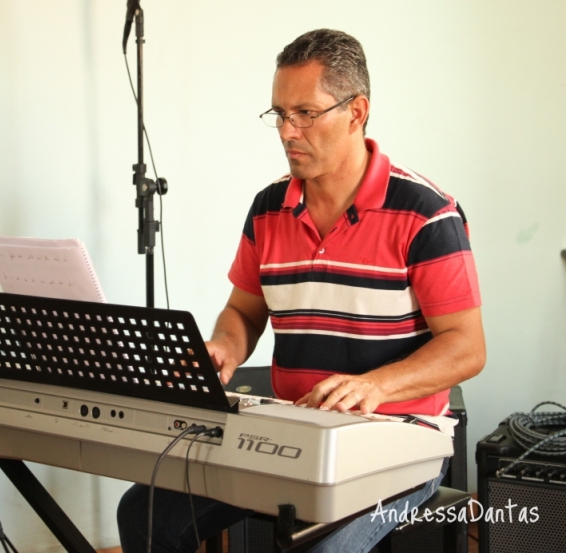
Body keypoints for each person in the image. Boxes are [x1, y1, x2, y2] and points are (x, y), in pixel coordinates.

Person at [117, 28, 485, 553]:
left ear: (357, 112)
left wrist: (375, 386)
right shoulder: (268, 209)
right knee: (144, 509)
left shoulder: (427, 214)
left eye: (306, 114)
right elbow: (243, 312)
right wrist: (223, 344)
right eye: (279, 114)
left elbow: (467, 347)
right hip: (294, 435)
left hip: (399, 445)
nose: (288, 131)